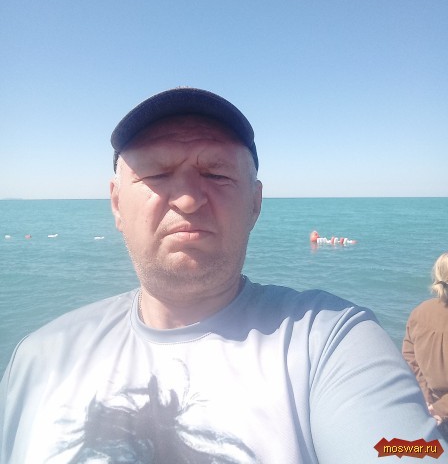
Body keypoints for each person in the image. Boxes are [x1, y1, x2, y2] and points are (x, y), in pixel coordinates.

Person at [0, 87, 445, 464]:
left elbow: (404, 449)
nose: (188, 199)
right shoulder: (38, 359)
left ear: (255, 203)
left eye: (216, 173)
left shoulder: (332, 341)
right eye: (157, 173)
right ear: (117, 204)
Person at [403, 252, 448, 441]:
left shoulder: (420, 312)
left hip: (427, 409)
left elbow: (409, 358)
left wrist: (426, 399)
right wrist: (440, 409)